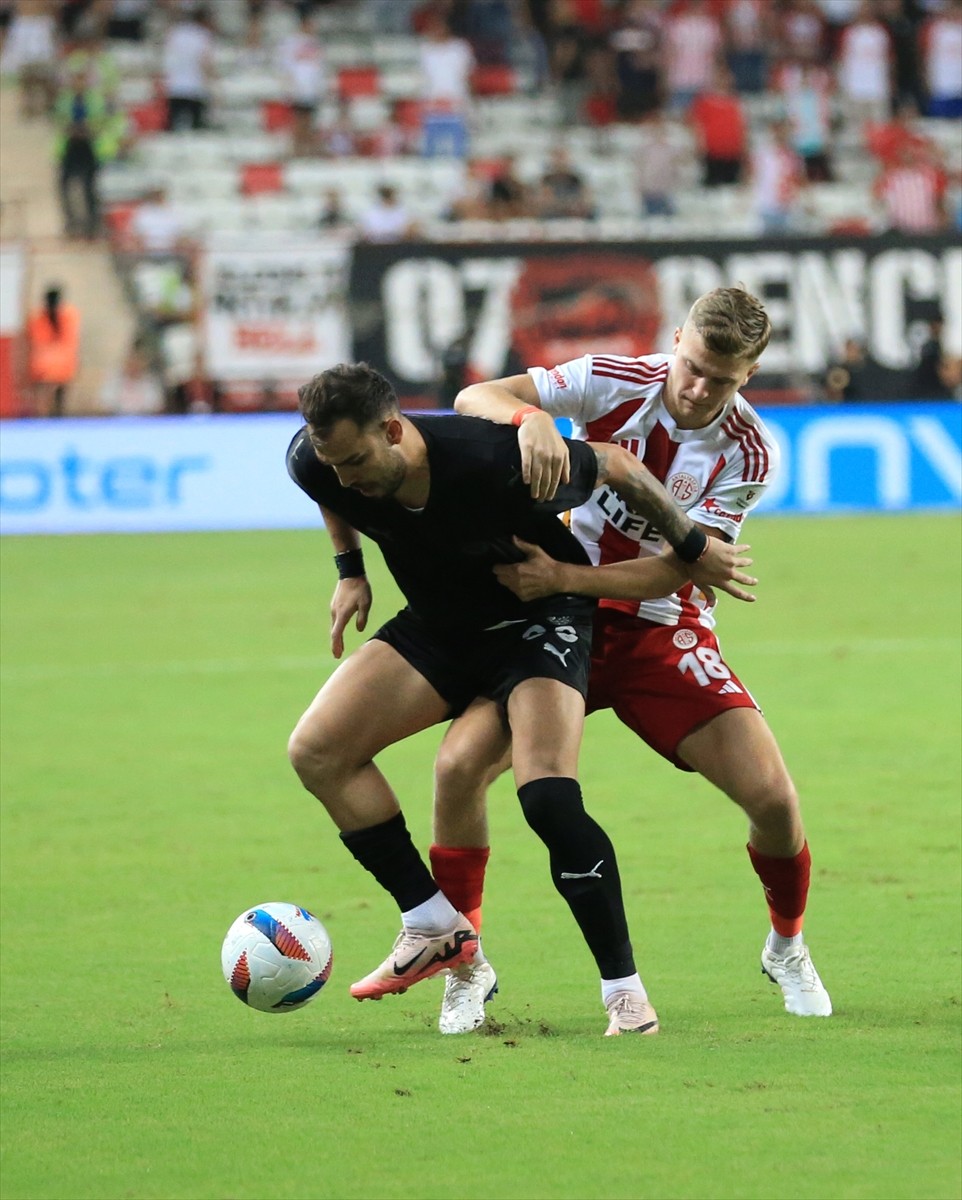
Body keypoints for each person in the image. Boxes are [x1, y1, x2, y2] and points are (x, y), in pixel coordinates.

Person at [284, 361, 756, 1034]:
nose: (344, 477)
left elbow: (619, 468)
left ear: (392, 430)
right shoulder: (319, 459)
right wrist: (349, 569)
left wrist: (688, 542)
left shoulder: (490, 459)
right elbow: (329, 488)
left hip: (540, 618)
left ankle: (624, 993)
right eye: (332, 463)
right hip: (443, 626)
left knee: (547, 798)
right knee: (317, 752)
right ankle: (433, 925)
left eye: (356, 459)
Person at [430, 286, 833, 1035]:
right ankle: (464, 966)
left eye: (723, 378)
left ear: (751, 374)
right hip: (554, 624)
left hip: (657, 628)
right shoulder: (616, 380)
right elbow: (473, 395)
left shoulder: (749, 452)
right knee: (458, 772)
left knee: (774, 801)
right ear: (676, 340)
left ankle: (787, 945)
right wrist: (531, 420)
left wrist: (564, 577)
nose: (698, 388)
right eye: (692, 365)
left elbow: (682, 571)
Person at [27, 286, 80, 417]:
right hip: (44, 371)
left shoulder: (68, 317)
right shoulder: (39, 319)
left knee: (58, 404)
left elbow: (70, 342)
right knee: (46, 404)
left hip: (61, 370)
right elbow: (39, 343)